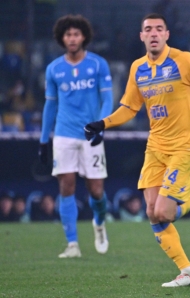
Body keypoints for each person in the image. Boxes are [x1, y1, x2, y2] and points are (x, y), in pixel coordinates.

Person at [84, 13, 190, 288]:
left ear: (167, 34)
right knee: (152, 212)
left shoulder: (185, 60)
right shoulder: (138, 68)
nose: (153, 33)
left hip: (184, 145)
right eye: (148, 29)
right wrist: (104, 123)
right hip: (155, 147)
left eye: (159, 29)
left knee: (166, 211)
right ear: (141, 36)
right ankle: (188, 273)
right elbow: (129, 107)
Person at [39, 14, 112, 258]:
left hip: (89, 134)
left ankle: (99, 223)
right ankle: (72, 244)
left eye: (76, 34)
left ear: (84, 37)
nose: (72, 38)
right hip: (64, 134)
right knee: (66, 185)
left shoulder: (98, 64)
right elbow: (50, 105)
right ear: (62, 38)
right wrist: (43, 139)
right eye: (68, 34)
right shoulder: (54, 69)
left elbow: (108, 99)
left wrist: (100, 126)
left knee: (96, 191)